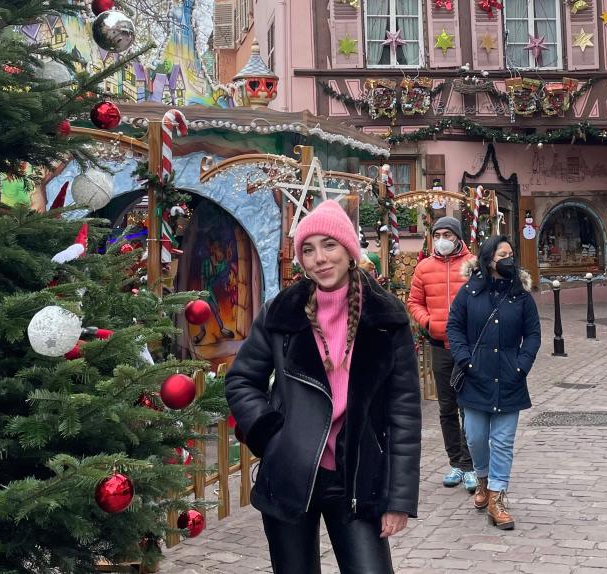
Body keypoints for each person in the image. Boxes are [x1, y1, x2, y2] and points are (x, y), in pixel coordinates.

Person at [225, 199, 421, 573]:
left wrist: (398, 497)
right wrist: (271, 436)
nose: (320, 259)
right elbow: (241, 380)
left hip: (357, 479)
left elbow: (404, 413)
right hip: (290, 474)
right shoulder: (281, 312)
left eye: (329, 245)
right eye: (309, 249)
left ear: (348, 250)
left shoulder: (386, 318)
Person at [446, 235, 540, 530]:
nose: (509, 259)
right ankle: (483, 479)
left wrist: (522, 365)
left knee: (503, 441)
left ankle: (497, 497)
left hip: (510, 377)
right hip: (476, 376)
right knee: (474, 437)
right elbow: (454, 327)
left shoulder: (521, 295)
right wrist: (465, 360)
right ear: (489, 260)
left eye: (511, 253)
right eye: (503, 254)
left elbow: (534, 334)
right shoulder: (469, 293)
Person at [407, 216, 477, 492]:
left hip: (468, 347)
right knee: (447, 407)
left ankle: (470, 464)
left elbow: (484, 299)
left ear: (458, 237)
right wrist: (427, 322)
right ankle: (456, 463)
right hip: (439, 346)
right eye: (438, 235)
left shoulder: (473, 266)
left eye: (448, 234)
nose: (442, 240)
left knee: (468, 408)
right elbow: (414, 301)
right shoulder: (424, 267)